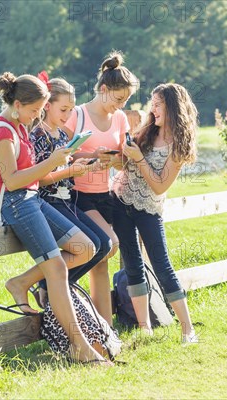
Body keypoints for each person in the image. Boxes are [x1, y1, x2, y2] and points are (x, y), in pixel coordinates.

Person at [0, 71, 109, 364]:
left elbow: (28, 179)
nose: (38, 116)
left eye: (41, 110)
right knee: (57, 270)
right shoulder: (3, 131)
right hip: (15, 203)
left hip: (31, 197)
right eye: (35, 110)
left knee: (85, 247)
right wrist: (52, 163)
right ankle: (80, 347)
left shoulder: (19, 126)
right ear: (17, 104)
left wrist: (60, 162)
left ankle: (21, 283)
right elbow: (11, 181)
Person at [112, 83, 199, 343]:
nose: (153, 109)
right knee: (132, 266)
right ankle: (144, 328)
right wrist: (117, 154)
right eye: (153, 103)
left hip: (149, 209)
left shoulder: (179, 145)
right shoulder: (147, 131)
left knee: (162, 267)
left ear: (173, 108)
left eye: (158, 104)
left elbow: (160, 185)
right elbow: (125, 163)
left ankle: (188, 329)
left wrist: (138, 158)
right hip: (120, 201)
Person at [65, 51, 139, 325]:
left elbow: (121, 163)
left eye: (126, 101)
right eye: (119, 99)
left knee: (102, 262)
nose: (121, 105)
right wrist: (90, 158)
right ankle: (53, 284)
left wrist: (115, 158)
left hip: (104, 194)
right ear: (104, 90)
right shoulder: (77, 115)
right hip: (77, 195)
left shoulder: (119, 119)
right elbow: (62, 157)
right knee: (110, 244)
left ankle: (105, 328)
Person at [29, 73, 112, 307]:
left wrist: (91, 161)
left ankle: (51, 286)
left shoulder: (63, 135)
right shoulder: (37, 136)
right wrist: (69, 172)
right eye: (63, 109)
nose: (68, 116)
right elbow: (40, 179)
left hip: (67, 200)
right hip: (50, 201)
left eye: (71, 110)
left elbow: (68, 161)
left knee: (103, 245)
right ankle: (50, 287)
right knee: (90, 247)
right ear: (47, 106)